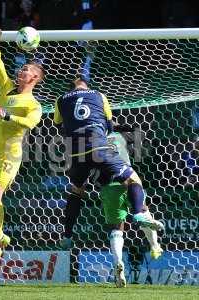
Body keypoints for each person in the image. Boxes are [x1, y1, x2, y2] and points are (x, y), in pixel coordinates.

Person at [54, 77, 163, 233]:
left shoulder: (61, 99)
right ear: (87, 84)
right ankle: (139, 213)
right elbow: (110, 126)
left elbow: (58, 125)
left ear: (69, 87)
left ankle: (67, 235)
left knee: (77, 190)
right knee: (133, 179)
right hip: (100, 149)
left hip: (77, 154)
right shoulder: (99, 95)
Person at [0, 27, 44, 268]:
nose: (21, 71)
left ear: (34, 78)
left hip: (9, 153)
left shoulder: (33, 104)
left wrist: (6, 117)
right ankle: (1, 233)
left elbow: (30, 123)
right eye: (22, 68)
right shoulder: (5, 89)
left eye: (26, 70)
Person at [94, 130, 163, 287]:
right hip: (128, 179)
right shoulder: (119, 135)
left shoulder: (90, 141)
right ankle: (154, 246)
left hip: (108, 186)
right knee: (143, 210)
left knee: (116, 227)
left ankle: (118, 261)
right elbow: (142, 135)